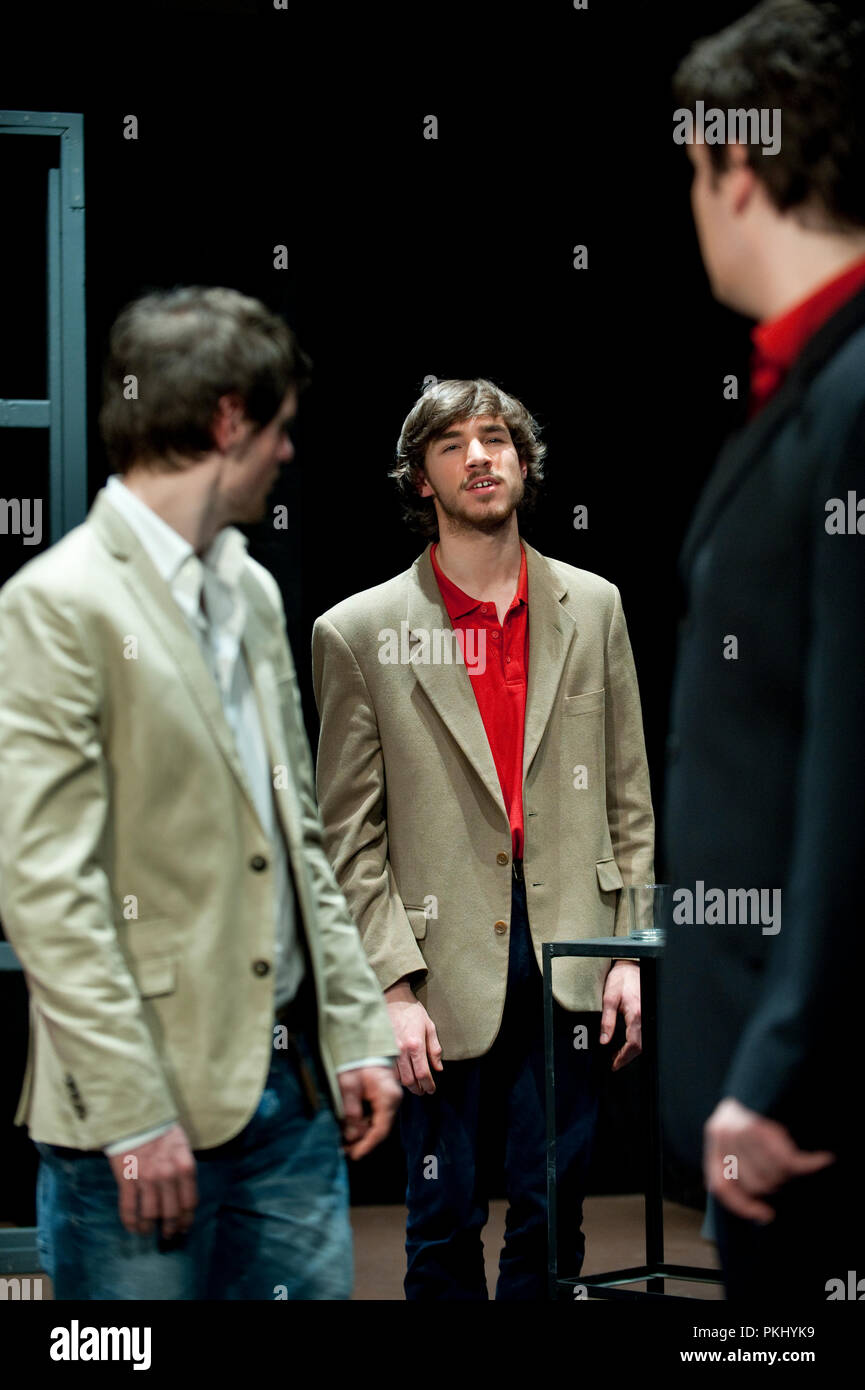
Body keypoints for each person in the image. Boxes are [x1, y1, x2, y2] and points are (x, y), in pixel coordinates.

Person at [0, 286, 400, 1300]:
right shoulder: (57, 603)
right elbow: (46, 886)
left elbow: (298, 835)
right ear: (229, 419)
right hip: (138, 1120)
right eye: (280, 427)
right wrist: (135, 1112)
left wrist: (352, 1029)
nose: (289, 452)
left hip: (291, 1106)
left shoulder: (253, 590)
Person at [311, 378, 655, 1300]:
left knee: (553, 1216)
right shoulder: (358, 631)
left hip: (571, 947)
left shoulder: (594, 605)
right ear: (419, 476)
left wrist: (628, 949)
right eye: (452, 443)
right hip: (435, 960)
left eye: (496, 437)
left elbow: (630, 795)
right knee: (442, 1218)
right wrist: (388, 984)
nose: (479, 456)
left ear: (523, 459)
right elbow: (347, 836)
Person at [661, 0, 865, 1299]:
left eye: (693, 169)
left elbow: (853, 766)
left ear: (739, 166)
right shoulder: (818, 384)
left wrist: (768, 1069)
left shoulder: (852, 399)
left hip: (795, 1112)